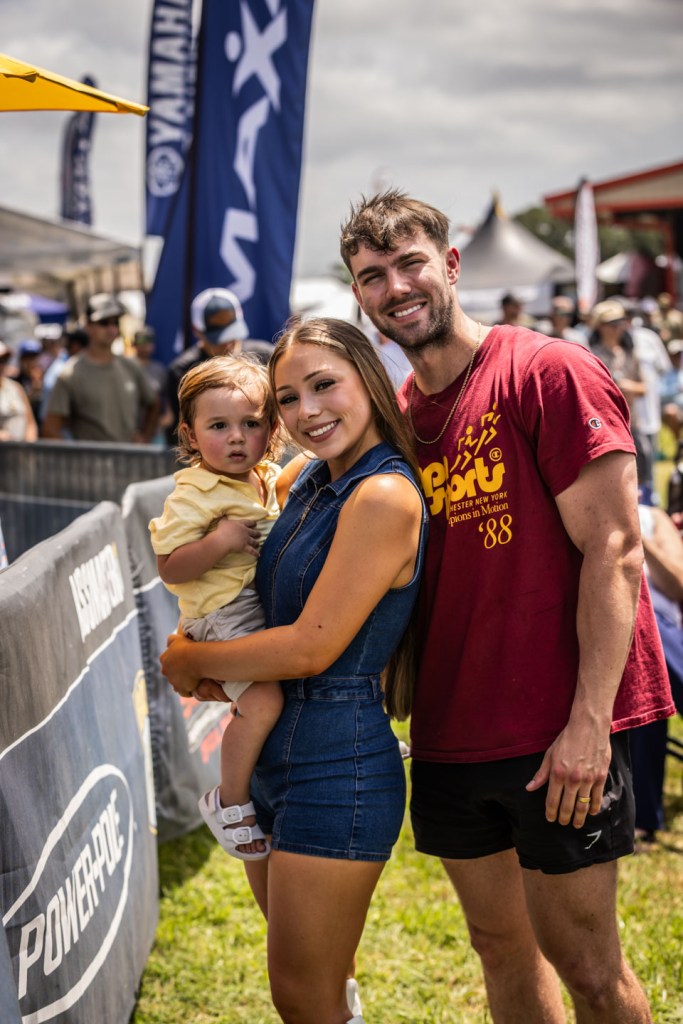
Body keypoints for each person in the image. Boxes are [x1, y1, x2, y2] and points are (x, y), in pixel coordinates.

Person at [339, 190, 675, 1024]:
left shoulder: (545, 372)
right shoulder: (396, 418)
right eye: (373, 276)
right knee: (498, 947)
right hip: (452, 729)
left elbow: (615, 548)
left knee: (588, 967)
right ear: (358, 295)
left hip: (557, 728)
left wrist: (588, 725)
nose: (395, 288)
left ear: (451, 265)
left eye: (409, 263)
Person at [160, 317, 428, 1024]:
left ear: (368, 380)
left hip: (336, 764)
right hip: (273, 758)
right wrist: (202, 647)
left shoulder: (382, 493)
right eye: (287, 398)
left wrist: (188, 660)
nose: (307, 410)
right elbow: (238, 585)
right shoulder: (306, 477)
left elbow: (310, 647)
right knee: (318, 989)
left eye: (323, 385)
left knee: (303, 996)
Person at [150, 356, 284, 860]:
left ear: (272, 429)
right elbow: (169, 567)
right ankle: (230, 801)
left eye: (251, 424)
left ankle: (350, 741)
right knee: (263, 702)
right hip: (222, 615)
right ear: (189, 433)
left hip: (256, 603)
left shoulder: (267, 476)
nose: (236, 438)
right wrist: (219, 541)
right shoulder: (195, 494)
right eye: (219, 426)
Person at [41, 294, 160, 443]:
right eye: (104, 323)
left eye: (115, 323)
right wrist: (76, 455)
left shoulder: (131, 366)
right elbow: (50, 429)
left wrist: (145, 438)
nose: (111, 329)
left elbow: (154, 403)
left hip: (129, 456)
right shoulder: (70, 374)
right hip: (92, 457)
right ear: (88, 326)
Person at [165, 287, 250, 443]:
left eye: (232, 331)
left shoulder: (265, 357)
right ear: (197, 330)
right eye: (218, 336)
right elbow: (181, 434)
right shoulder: (183, 371)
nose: (227, 342)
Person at [0, 340, 37, 441]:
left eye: (4, 360)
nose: (2, 365)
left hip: (20, 449)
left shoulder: (16, 388)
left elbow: (30, 422)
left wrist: (29, 444)